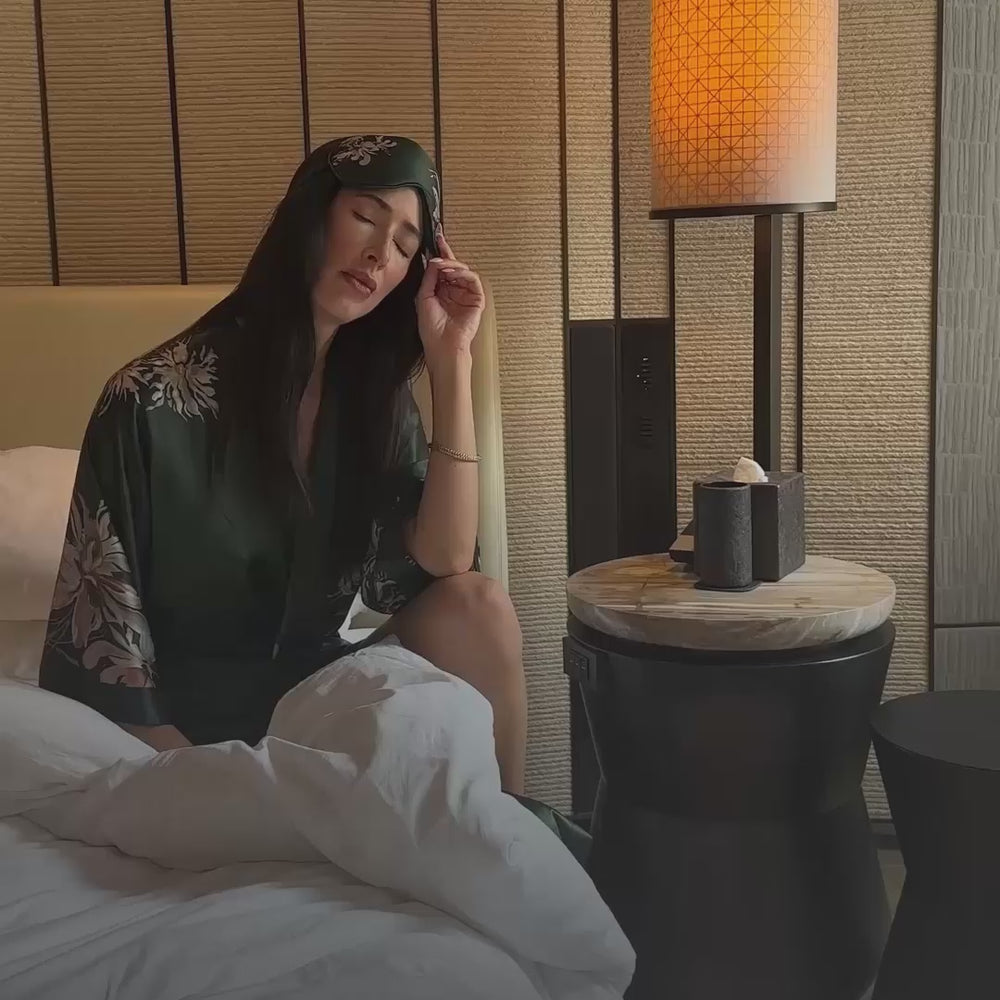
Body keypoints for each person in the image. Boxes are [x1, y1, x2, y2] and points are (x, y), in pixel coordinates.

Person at [39, 135, 528, 795]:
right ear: (311, 213)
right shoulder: (147, 400)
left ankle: (507, 825)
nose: (380, 254)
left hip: (319, 697)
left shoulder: (374, 403)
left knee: (480, 605)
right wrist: (217, 784)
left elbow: (445, 558)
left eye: (406, 246)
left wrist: (452, 360)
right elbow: (107, 645)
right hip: (175, 723)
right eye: (366, 216)